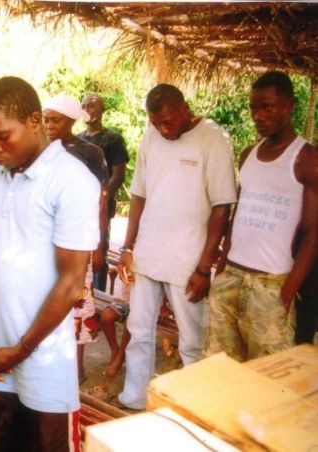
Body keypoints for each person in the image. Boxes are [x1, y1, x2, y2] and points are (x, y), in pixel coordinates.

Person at [0, 77, 100, 451]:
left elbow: (72, 282)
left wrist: (22, 350)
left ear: (34, 121)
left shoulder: (72, 181)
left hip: (43, 363)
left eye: (2, 136)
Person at [116, 84, 236, 410]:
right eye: (156, 124)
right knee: (138, 330)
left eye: (168, 121)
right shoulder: (152, 136)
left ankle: (191, 409)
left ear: (184, 108)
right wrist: (128, 247)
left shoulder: (214, 139)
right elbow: (138, 194)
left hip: (188, 263)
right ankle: (135, 398)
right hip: (147, 254)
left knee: (192, 342)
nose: (163, 130)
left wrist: (203, 267)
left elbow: (222, 207)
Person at [205, 71, 318, 360]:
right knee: (219, 368)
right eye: (254, 107)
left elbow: (312, 233)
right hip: (231, 277)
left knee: (267, 374)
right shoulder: (248, 155)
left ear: (289, 106)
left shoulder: (307, 159)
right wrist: (221, 270)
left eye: (267, 107)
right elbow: (238, 214)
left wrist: (288, 291)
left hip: (271, 283)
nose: (259, 115)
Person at [42, 93, 109, 384]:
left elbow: (101, 201)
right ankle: (51, 362)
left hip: (78, 240)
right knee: (48, 299)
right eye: (45, 119)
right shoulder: (41, 150)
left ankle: (77, 367)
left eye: (55, 120)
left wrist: (98, 246)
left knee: (78, 301)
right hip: (47, 239)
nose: (48, 125)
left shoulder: (89, 153)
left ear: (70, 121)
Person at [79, 94, 130, 292]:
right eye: (83, 106)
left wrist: (102, 197)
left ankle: (98, 297)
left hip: (101, 205)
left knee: (99, 248)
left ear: (102, 109)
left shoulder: (113, 139)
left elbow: (118, 175)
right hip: (80, 205)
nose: (87, 110)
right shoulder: (78, 139)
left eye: (91, 106)